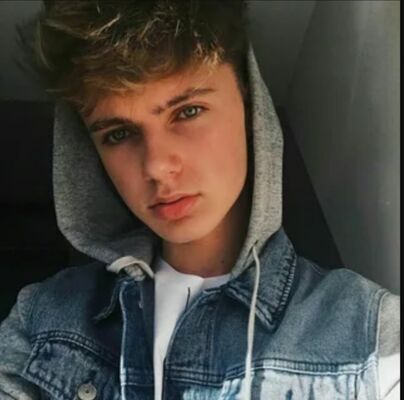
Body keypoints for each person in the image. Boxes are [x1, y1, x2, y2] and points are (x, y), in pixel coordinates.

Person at [0, 1, 400, 399]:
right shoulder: (44, 319)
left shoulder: (369, 336)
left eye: (188, 111)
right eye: (118, 134)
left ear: (248, 103)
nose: (156, 166)